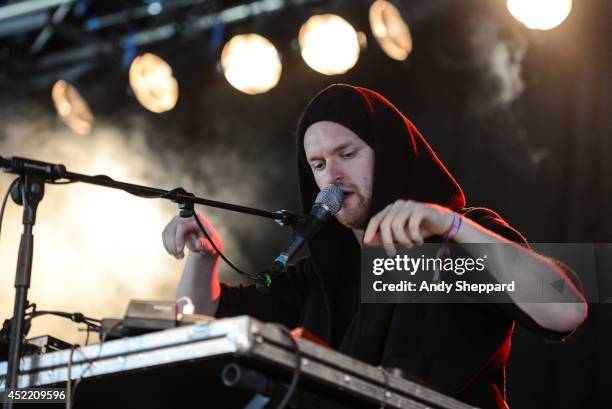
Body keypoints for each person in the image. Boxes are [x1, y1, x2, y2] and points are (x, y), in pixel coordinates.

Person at [162, 84, 587, 409]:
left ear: (390, 154)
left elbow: (566, 310)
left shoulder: (454, 247)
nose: (332, 176)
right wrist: (202, 260)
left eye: (347, 153)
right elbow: (199, 332)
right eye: (319, 164)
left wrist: (451, 223)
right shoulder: (321, 276)